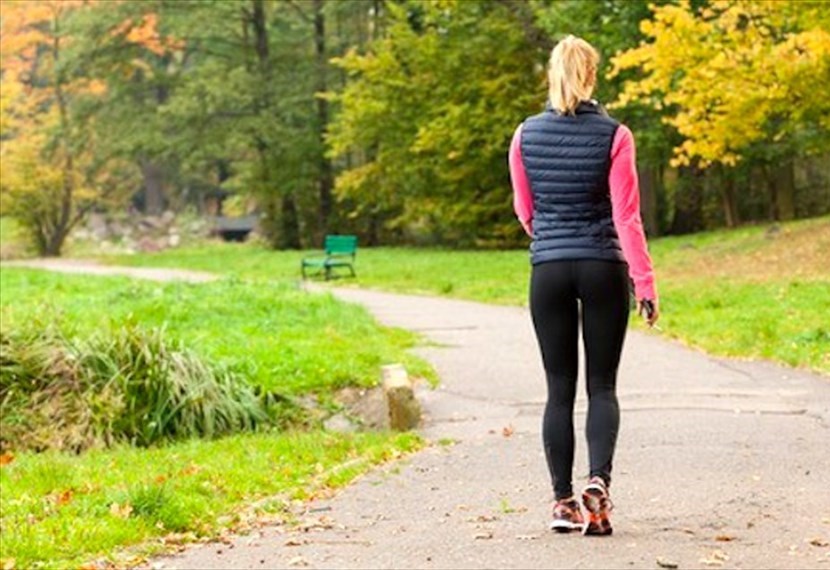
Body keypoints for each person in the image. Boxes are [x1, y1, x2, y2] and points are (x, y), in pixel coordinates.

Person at [508, 35, 659, 536]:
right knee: (601, 386)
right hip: (602, 266)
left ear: (551, 76)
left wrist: (552, 239)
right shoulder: (616, 135)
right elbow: (627, 216)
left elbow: (525, 212)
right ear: (592, 76)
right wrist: (645, 282)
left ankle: (562, 503)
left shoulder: (524, 135)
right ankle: (598, 486)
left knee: (558, 391)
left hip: (548, 269)